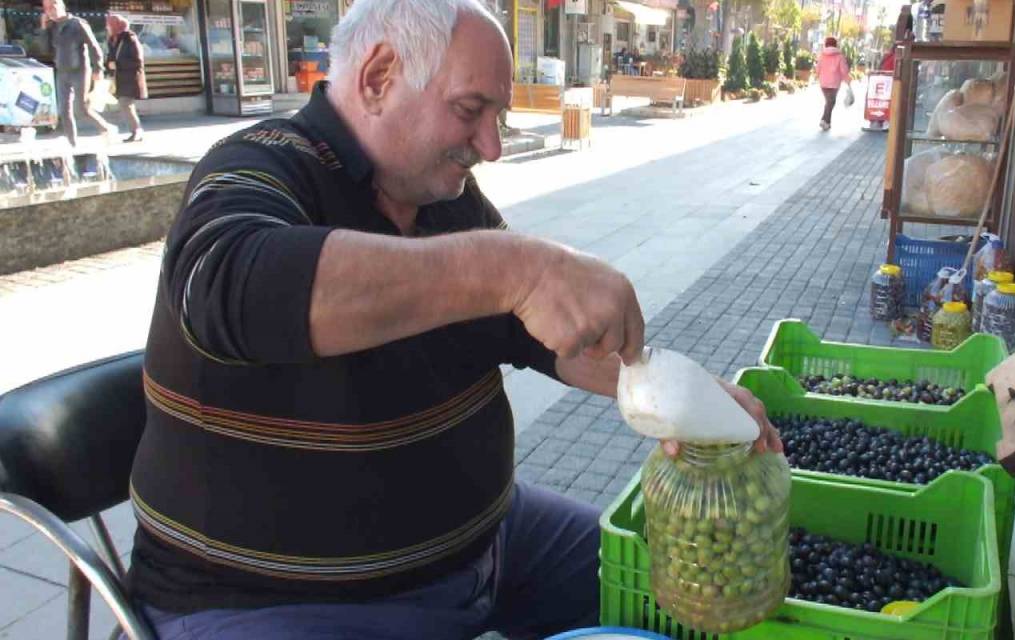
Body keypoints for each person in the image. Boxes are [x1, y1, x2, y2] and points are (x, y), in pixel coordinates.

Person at [128, 1, 782, 639]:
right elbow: (226, 286)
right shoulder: (259, 162)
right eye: (470, 111)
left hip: (495, 543)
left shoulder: (440, 195)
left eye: (498, 116)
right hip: (276, 603)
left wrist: (680, 398)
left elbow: (531, 328)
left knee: (689, 594)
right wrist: (514, 268)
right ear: (378, 78)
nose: (491, 147)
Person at [40, 0, 115, 146]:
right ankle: (72, 143)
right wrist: (44, 28)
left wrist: (98, 69)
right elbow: (45, 49)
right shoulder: (52, 27)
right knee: (64, 110)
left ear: (61, 5)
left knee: (81, 109)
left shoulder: (77, 24)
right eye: (47, 8)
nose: (50, 10)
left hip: (80, 70)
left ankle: (106, 128)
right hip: (62, 71)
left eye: (53, 6)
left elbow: (94, 47)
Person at [105, 14, 145, 142]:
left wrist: (118, 65)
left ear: (116, 25)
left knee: (126, 104)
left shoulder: (130, 39)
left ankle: (136, 132)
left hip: (130, 78)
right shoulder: (113, 39)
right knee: (126, 105)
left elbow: (138, 62)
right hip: (120, 79)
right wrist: (108, 65)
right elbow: (111, 57)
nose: (107, 27)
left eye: (109, 25)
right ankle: (136, 131)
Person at [815, 36, 850, 131]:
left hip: (823, 82)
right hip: (834, 83)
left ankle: (827, 123)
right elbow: (844, 71)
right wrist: (848, 80)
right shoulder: (840, 56)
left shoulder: (822, 55)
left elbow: (817, 68)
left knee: (829, 102)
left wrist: (817, 76)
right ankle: (824, 120)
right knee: (831, 102)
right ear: (835, 45)